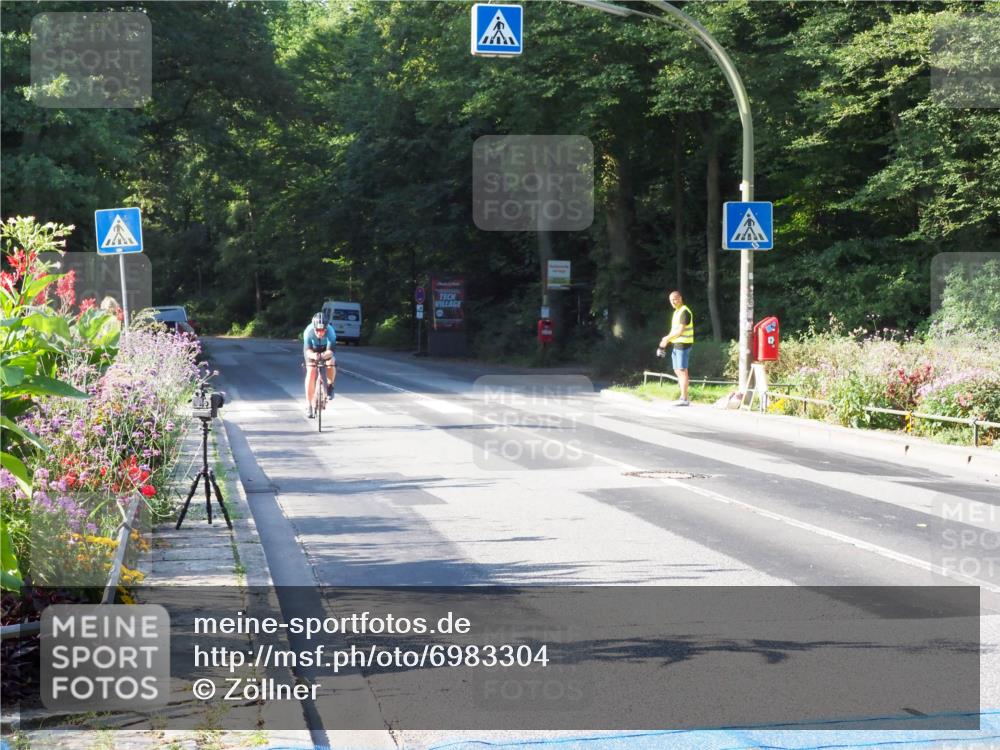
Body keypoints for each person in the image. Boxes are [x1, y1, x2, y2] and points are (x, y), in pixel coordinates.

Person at [657, 291, 694, 406]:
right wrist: (665, 342)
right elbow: (674, 331)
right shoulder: (676, 312)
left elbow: (680, 331)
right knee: (677, 370)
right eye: (671, 300)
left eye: (675, 299)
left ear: (680, 298)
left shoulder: (684, 311)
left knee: (682, 371)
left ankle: (684, 398)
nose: (673, 302)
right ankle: (683, 395)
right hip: (676, 344)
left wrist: (666, 338)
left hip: (683, 344)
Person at [303, 312, 337, 418]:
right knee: (311, 371)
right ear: (314, 328)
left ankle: (330, 385)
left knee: (331, 363)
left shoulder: (331, 332)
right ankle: (309, 405)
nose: (320, 333)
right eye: (317, 330)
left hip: (325, 349)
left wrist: (323, 356)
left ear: (326, 328)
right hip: (312, 350)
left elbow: (330, 352)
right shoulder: (308, 332)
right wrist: (314, 356)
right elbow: (308, 351)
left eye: (323, 330)